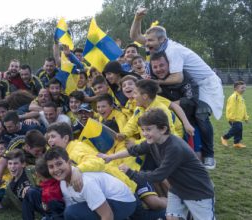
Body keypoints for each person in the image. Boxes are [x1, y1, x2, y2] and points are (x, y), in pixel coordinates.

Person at [131, 7, 223, 169]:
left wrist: (154, 82)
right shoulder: (160, 49)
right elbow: (134, 37)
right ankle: (188, 156)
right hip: (192, 84)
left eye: (150, 40)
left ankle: (209, 155)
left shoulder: (172, 51)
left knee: (201, 115)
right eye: (147, 40)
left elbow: (177, 77)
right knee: (188, 117)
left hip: (207, 83)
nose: (147, 43)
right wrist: (137, 18)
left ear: (162, 40)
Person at [100, 109, 215, 220]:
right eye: (143, 130)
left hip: (198, 191)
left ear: (163, 129)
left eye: (148, 129)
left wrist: (131, 173)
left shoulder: (174, 148)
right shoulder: (153, 141)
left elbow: (158, 176)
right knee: (171, 217)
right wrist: (110, 157)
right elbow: (134, 150)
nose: (144, 134)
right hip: (177, 188)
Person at [45, 147, 136, 220]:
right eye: (51, 167)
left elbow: (107, 215)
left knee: (71, 213)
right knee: (71, 212)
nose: (56, 169)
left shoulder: (85, 182)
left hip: (124, 202)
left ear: (69, 163)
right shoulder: (62, 183)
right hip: (110, 201)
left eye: (59, 164)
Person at [222, 81, 248, 148]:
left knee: (239, 130)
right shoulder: (234, 97)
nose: (244, 89)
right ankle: (224, 137)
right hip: (233, 118)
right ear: (236, 89)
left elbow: (243, 108)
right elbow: (230, 108)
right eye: (242, 88)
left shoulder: (241, 97)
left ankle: (236, 143)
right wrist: (232, 118)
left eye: (245, 88)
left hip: (239, 118)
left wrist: (246, 118)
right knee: (236, 129)